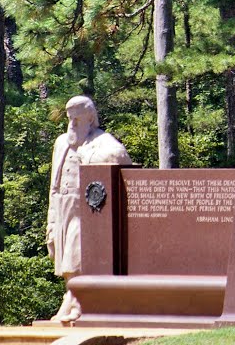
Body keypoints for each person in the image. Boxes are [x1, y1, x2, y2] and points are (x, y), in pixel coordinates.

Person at [47, 96, 132, 323]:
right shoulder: (61, 143)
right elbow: (53, 186)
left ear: (91, 119)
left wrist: (88, 155)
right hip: (62, 206)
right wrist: (51, 222)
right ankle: (71, 296)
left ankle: (77, 301)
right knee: (64, 258)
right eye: (70, 119)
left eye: (78, 119)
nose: (72, 125)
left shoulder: (100, 140)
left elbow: (120, 156)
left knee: (76, 257)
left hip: (87, 207)